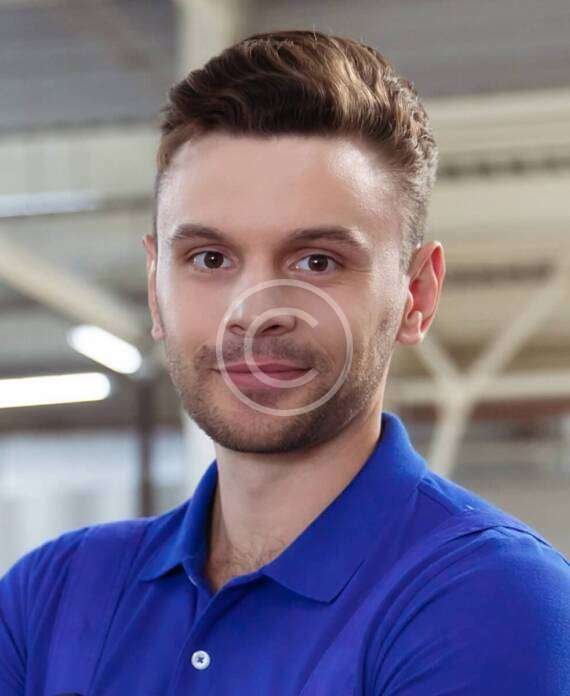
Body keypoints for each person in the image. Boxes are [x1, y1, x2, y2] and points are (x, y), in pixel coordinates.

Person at [1, 29, 569, 695]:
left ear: (416, 295)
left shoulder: (491, 602)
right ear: (157, 288)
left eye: (317, 261)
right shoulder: (50, 598)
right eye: (210, 258)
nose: (254, 312)